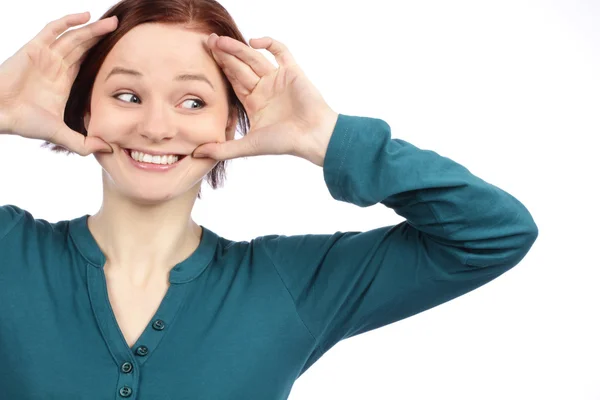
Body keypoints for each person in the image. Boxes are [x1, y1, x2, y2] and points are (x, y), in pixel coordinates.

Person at [0, 0, 538, 398]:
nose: (157, 126)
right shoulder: (10, 252)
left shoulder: (290, 284)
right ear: (86, 110)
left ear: (231, 120)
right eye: (126, 95)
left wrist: (330, 139)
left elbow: (491, 234)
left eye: (192, 100)